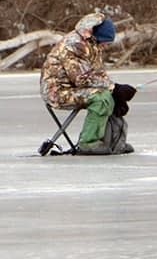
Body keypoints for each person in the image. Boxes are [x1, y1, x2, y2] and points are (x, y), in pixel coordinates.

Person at [39, 11, 135, 155]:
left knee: (109, 96)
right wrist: (113, 88)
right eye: (105, 42)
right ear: (96, 35)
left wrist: (115, 92)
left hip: (76, 88)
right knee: (101, 98)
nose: (105, 46)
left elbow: (98, 73)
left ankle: (114, 142)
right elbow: (81, 78)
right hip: (58, 91)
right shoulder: (74, 44)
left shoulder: (92, 44)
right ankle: (88, 143)